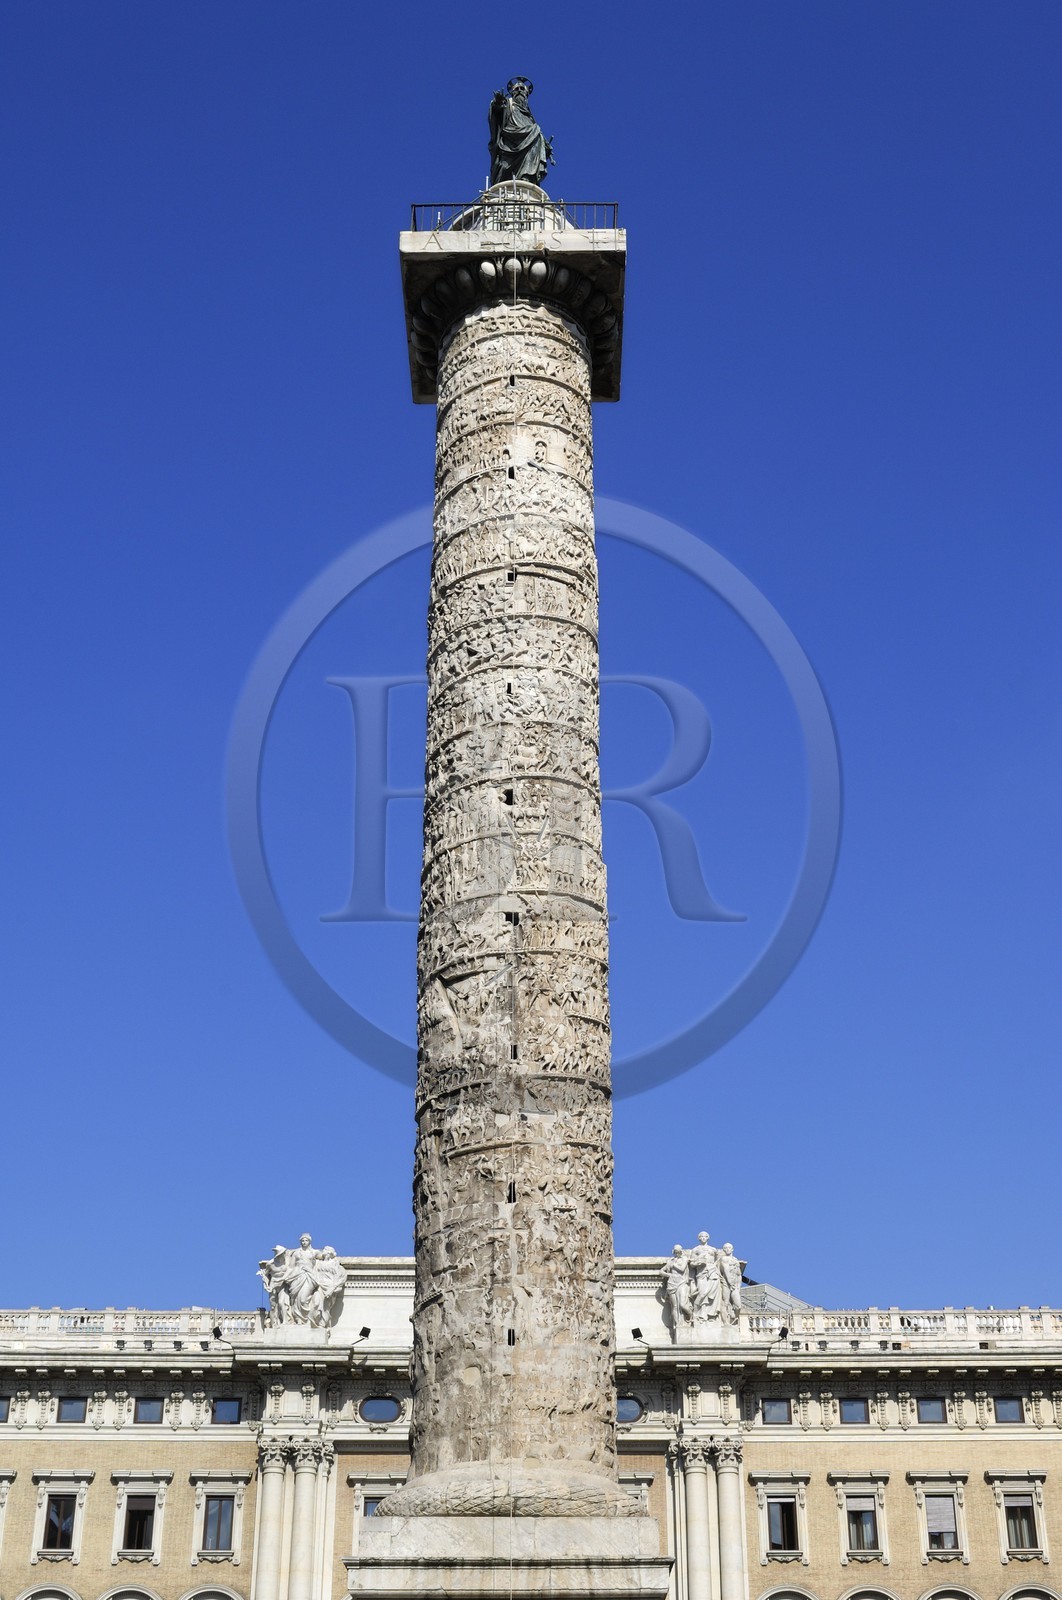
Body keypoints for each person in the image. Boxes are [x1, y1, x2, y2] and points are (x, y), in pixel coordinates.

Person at [489, 78, 554, 187]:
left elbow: (538, 134)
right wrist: (497, 102)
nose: (519, 91)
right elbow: (497, 112)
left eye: (522, 89)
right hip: (509, 144)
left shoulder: (529, 116)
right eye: (516, 89)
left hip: (529, 146)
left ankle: (527, 178)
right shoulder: (508, 105)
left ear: (526, 93)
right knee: (504, 168)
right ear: (512, 92)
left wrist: (545, 146)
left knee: (535, 130)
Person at [689, 1231, 721, 1321]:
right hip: (701, 1272)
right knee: (702, 1293)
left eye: (705, 1236)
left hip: (712, 1272)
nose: (703, 1238)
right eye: (701, 1236)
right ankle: (696, 1312)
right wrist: (697, 1263)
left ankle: (707, 1314)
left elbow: (717, 1261)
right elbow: (691, 1263)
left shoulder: (713, 1249)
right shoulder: (695, 1249)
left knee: (711, 1293)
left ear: (708, 1237)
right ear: (699, 1238)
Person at [661, 1245, 690, 1336]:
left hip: (681, 1282)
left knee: (682, 1304)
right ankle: (678, 1325)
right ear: (674, 1251)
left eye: (679, 1250)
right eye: (675, 1250)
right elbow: (661, 1271)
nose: (677, 1252)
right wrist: (668, 1275)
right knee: (674, 1306)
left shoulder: (684, 1259)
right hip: (672, 1283)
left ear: (681, 1251)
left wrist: (674, 1265)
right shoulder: (670, 1261)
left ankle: (690, 1317)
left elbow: (682, 1269)